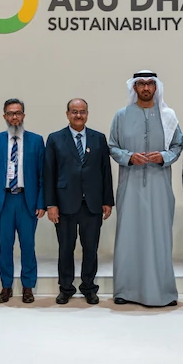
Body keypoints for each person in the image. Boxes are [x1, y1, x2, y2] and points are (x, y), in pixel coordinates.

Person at [109, 70, 183, 307]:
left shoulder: (168, 116)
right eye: (141, 84)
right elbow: (112, 146)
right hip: (130, 186)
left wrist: (163, 156)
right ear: (134, 87)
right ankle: (125, 291)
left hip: (159, 186)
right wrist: (129, 157)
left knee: (159, 237)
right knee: (128, 237)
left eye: (150, 83)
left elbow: (178, 145)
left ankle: (163, 292)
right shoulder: (121, 115)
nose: (145, 88)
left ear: (156, 87)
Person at [44, 98, 114, 305]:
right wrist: (51, 204)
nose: (78, 115)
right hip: (65, 203)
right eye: (74, 111)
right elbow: (49, 173)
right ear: (67, 114)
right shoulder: (55, 139)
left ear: (87, 114)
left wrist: (107, 200)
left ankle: (89, 287)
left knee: (90, 248)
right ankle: (66, 288)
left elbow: (105, 171)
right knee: (65, 248)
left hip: (92, 203)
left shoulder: (98, 138)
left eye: (82, 111)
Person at [0, 99, 45, 304]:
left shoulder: (36, 141)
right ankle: (6, 286)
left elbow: (42, 175)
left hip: (27, 201)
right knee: (5, 246)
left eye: (18, 113)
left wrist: (41, 202)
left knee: (28, 245)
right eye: (10, 113)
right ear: (4, 116)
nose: (14, 117)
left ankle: (28, 286)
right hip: (4, 201)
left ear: (24, 116)